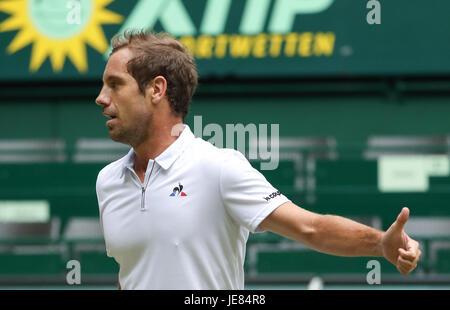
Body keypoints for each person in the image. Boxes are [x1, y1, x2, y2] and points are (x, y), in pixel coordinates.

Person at [95, 30, 421, 290]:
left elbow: (311, 228)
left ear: (156, 90)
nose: (101, 98)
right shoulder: (108, 182)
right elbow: (133, 274)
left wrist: (380, 244)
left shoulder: (218, 168)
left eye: (115, 84)